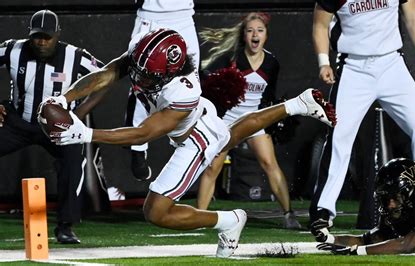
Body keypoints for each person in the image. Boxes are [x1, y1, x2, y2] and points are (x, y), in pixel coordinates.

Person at [40, 29, 336, 257]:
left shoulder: (182, 91)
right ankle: (299, 103)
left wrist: (87, 135)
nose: (140, 79)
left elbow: (144, 133)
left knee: (155, 211)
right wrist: (64, 98)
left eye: (148, 75)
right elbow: (107, 73)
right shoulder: (145, 54)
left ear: (170, 72)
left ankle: (227, 220)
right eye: (139, 70)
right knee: (232, 134)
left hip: (196, 139)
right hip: (198, 120)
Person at [310, 0, 415, 229]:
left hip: (392, 64)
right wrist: (323, 62)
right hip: (353, 68)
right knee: (340, 136)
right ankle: (323, 209)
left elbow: (411, 16)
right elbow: (320, 24)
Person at [0, 10, 104, 244]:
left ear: (58, 35)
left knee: (72, 161)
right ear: (30, 35)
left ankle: (66, 226)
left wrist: (78, 114)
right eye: (37, 36)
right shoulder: (13, 49)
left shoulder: (75, 56)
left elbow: (104, 80)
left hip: (57, 128)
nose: (42, 42)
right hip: (18, 121)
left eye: (47, 36)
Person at [196, 12, 302, 229]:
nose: (255, 34)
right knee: (212, 168)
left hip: (253, 120)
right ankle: (199, 217)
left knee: (270, 163)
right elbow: (212, 88)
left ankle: (289, 214)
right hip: (228, 121)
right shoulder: (232, 59)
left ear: (266, 35)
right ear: (244, 35)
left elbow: (268, 95)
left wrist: (271, 119)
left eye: (260, 31)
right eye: (250, 30)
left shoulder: (272, 62)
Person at [311, 158, 415, 255]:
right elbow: (366, 240)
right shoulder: (401, 211)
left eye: (395, 197)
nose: (390, 205)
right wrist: (329, 238)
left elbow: (407, 245)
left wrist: (357, 252)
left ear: (411, 191)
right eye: (386, 198)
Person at [126, 0, 200, 181]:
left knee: (191, 81)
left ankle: (187, 142)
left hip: (184, 17)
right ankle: (138, 149)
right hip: (152, 17)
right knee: (141, 79)